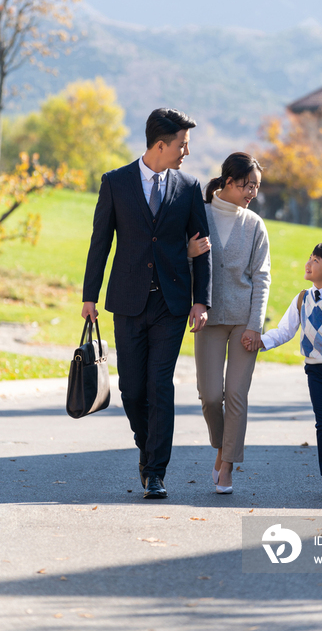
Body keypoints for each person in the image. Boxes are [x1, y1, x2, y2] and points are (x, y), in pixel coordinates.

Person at [82, 108, 212, 499]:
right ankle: (146, 445)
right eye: (182, 144)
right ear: (161, 144)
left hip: (171, 304)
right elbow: (100, 243)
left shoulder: (189, 187)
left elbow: (203, 248)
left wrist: (200, 301)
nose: (186, 151)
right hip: (127, 301)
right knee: (132, 390)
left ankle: (156, 471)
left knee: (160, 385)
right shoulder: (116, 183)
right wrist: (90, 295)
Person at [245, 241, 322, 494]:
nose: (308, 263)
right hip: (316, 372)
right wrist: (261, 341)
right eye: (310, 258)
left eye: (315, 261)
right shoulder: (302, 299)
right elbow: (285, 331)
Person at [190, 153, 271, 494]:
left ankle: (227, 466)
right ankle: (222, 445)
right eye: (247, 184)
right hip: (207, 318)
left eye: (256, 186)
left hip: (243, 322)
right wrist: (187, 252)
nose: (252, 191)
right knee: (210, 397)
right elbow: (182, 259)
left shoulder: (254, 225)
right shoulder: (199, 214)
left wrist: (256, 325)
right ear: (227, 181)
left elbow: (262, 277)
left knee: (236, 394)